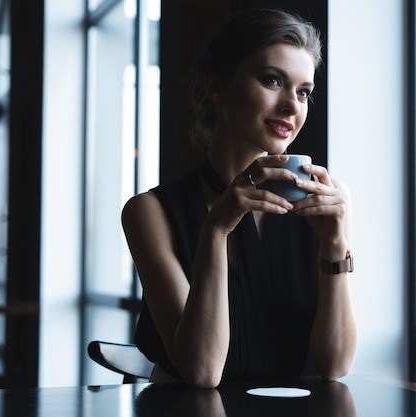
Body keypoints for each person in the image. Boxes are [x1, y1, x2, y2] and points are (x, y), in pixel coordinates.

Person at [122, 8, 357, 388]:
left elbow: (336, 365)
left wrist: (334, 245)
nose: (292, 106)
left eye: (303, 92)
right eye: (272, 80)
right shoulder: (149, 213)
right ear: (217, 87)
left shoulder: (328, 201)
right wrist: (215, 230)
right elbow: (202, 371)